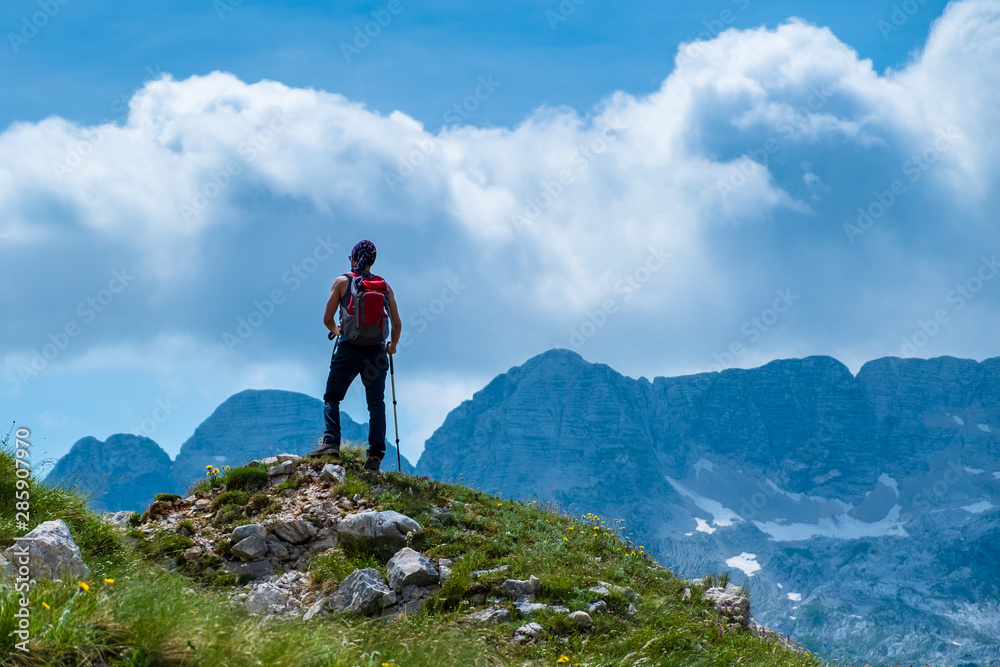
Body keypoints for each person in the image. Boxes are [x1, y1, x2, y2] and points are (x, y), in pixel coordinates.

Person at [308, 240, 402, 473]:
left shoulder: (342, 282)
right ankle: (375, 457)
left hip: (349, 348)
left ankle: (331, 443)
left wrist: (340, 332)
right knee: (376, 404)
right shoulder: (384, 286)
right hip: (377, 351)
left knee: (332, 396)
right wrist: (393, 346)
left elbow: (327, 319)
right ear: (372, 261)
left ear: (352, 258)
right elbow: (397, 324)